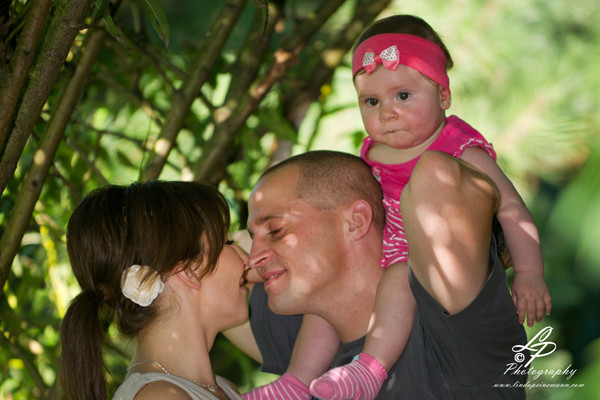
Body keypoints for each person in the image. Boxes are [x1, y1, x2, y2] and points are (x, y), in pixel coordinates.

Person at [243, 15, 552, 400]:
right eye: (372, 101)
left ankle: (370, 369)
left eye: (403, 96)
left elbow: (511, 208)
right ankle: (296, 382)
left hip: (427, 265)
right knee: (320, 303)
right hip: (384, 260)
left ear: (443, 95)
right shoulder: (372, 153)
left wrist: (529, 273)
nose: (386, 112)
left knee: (396, 279)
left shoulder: (459, 147)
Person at [244, 149, 535, 399]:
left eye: (275, 230)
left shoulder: (453, 328)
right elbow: (207, 263)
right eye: (253, 236)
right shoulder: (306, 356)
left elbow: (439, 175)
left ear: (356, 221)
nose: (254, 257)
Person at [59, 181, 249, 400]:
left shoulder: (222, 388)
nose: (245, 258)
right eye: (228, 242)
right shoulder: (161, 396)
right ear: (189, 270)